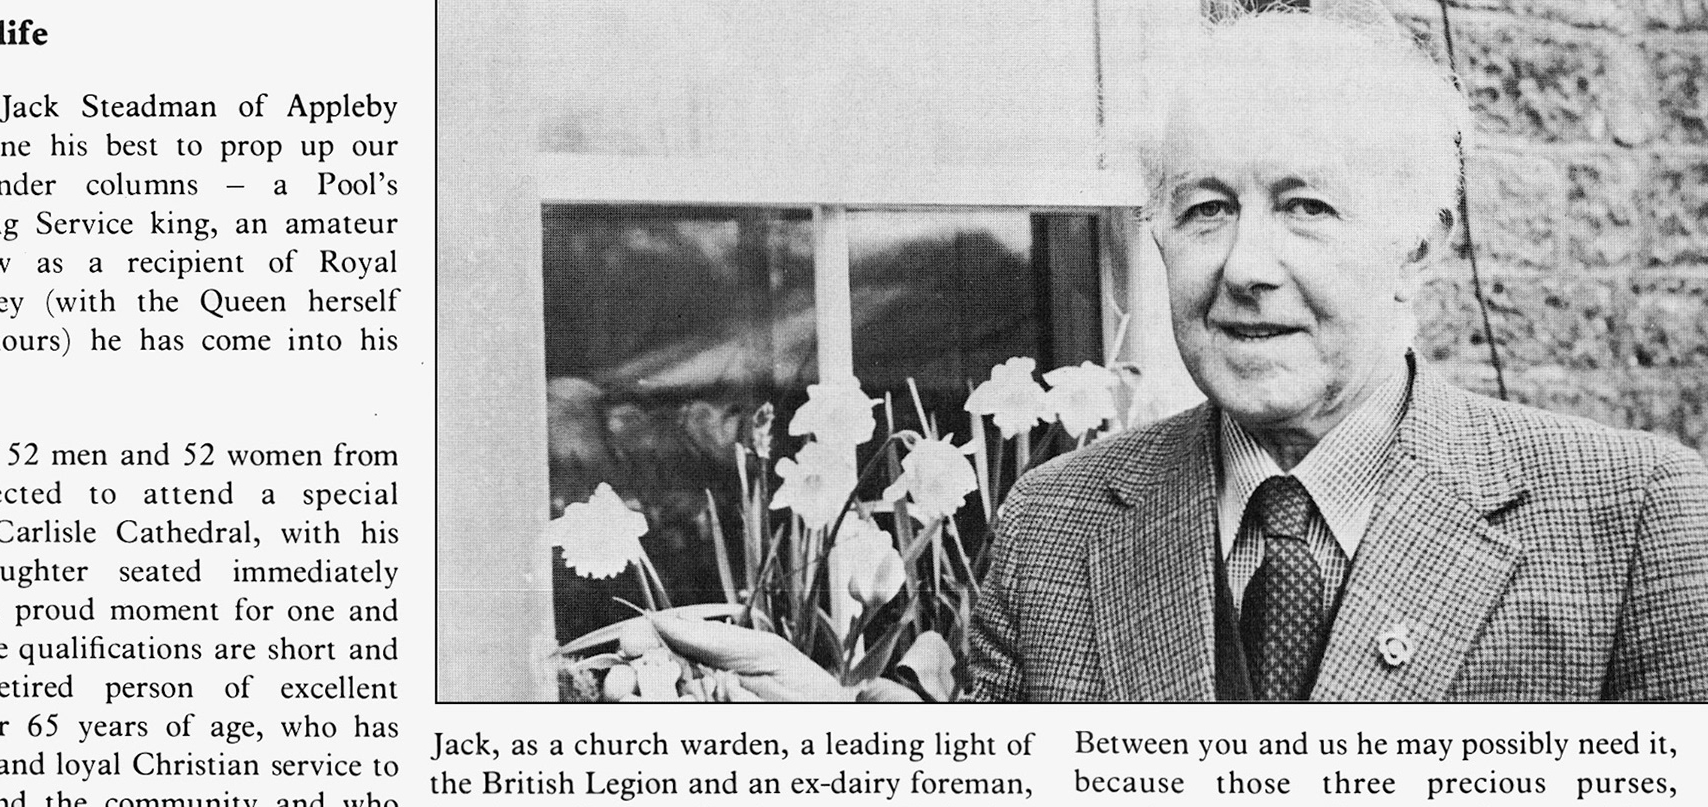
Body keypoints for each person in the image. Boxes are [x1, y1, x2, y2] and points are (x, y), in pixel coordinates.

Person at [656, 8, 1708, 702]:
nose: (1246, 265)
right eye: (1207, 209)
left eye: (1306, 207)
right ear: (1157, 235)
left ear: (1418, 247)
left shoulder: (1635, 519)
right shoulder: (1055, 526)